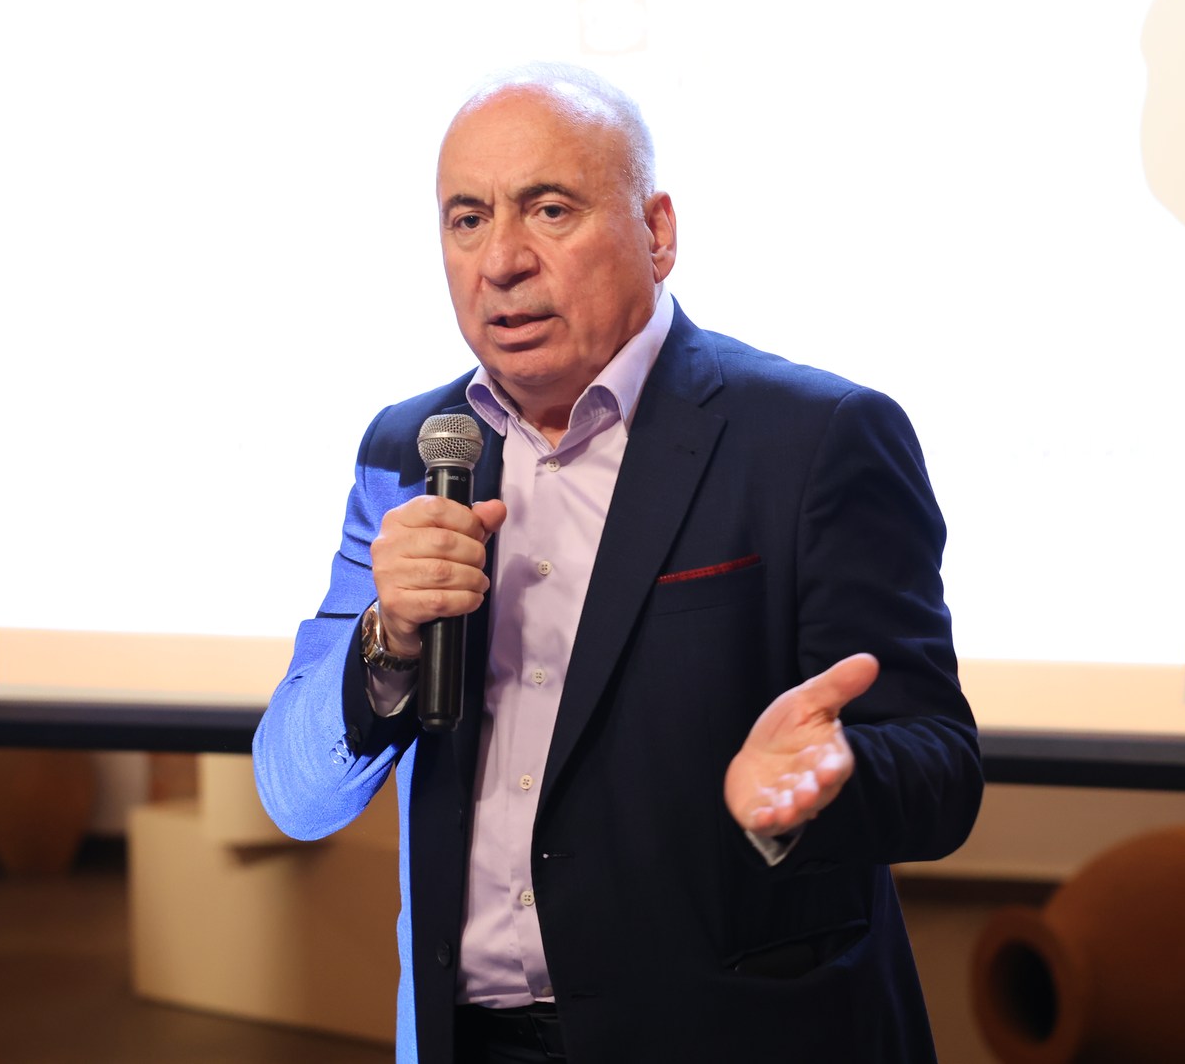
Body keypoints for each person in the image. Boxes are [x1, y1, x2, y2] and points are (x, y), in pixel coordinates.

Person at [253, 64, 981, 1063]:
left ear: (657, 231)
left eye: (549, 209)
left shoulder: (812, 438)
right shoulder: (409, 451)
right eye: (466, 219)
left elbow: (939, 766)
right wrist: (386, 642)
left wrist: (825, 781)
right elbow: (294, 794)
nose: (501, 260)